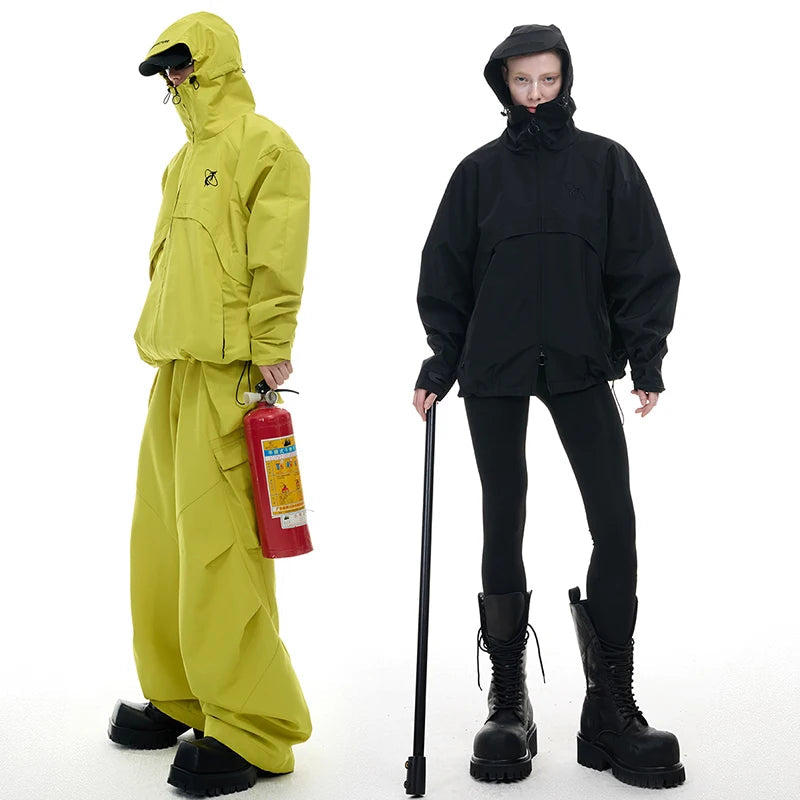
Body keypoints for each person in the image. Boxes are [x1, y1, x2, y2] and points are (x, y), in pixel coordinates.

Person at [413, 24, 685, 789]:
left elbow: (643, 261)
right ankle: (509, 703)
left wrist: (646, 356)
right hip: (493, 367)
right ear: (502, 83)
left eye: (548, 79)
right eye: (522, 80)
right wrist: (441, 361)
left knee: (615, 521)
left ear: (566, 78)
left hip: (578, 362)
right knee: (503, 516)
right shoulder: (478, 173)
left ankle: (610, 707)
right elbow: (447, 272)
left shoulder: (605, 163)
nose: (535, 94)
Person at [107, 12, 312, 796]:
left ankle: (254, 727)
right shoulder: (182, 160)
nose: (174, 77)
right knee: (161, 543)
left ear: (214, 60)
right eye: (165, 67)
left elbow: (278, 253)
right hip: (174, 373)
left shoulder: (266, 146)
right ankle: (181, 695)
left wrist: (271, 342)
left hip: (232, 375)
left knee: (224, 549)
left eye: (183, 62)